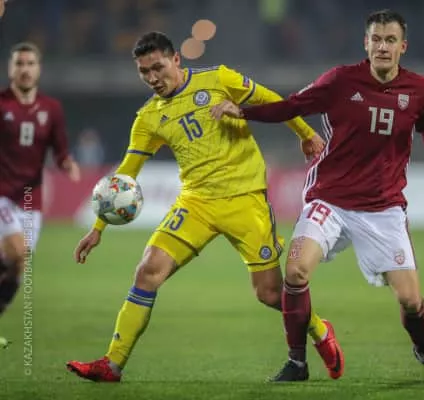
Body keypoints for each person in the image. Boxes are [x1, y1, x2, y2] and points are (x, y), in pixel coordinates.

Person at [210, 9, 424, 382]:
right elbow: (293, 106)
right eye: (377, 39)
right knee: (295, 271)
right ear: (366, 43)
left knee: (410, 300)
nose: (383, 47)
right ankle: (297, 362)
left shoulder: (421, 91)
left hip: (383, 208)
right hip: (330, 199)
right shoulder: (340, 81)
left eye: (390, 40)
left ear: (403, 46)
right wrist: (243, 112)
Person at [66, 31, 344, 382]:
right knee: (147, 271)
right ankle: (113, 363)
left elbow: (271, 99)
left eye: (158, 67)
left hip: (245, 200)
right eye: (144, 72)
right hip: (195, 203)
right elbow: (127, 173)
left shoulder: (218, 79)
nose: (152, 78)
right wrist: (98, 227)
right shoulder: (148, 117)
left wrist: (305, 133)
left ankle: (319, 328)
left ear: (176, 59)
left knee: (270, 293)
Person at [0, 42, 80, 346]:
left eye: (30, 63)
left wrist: (67, 163)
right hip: (1, 193)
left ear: (38, 69)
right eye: (19, 63)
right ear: (10, 69)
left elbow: (60, 149)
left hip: (30, 197)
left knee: (17, 266)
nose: (24, 69)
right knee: (17, 250)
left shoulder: (51, 108)